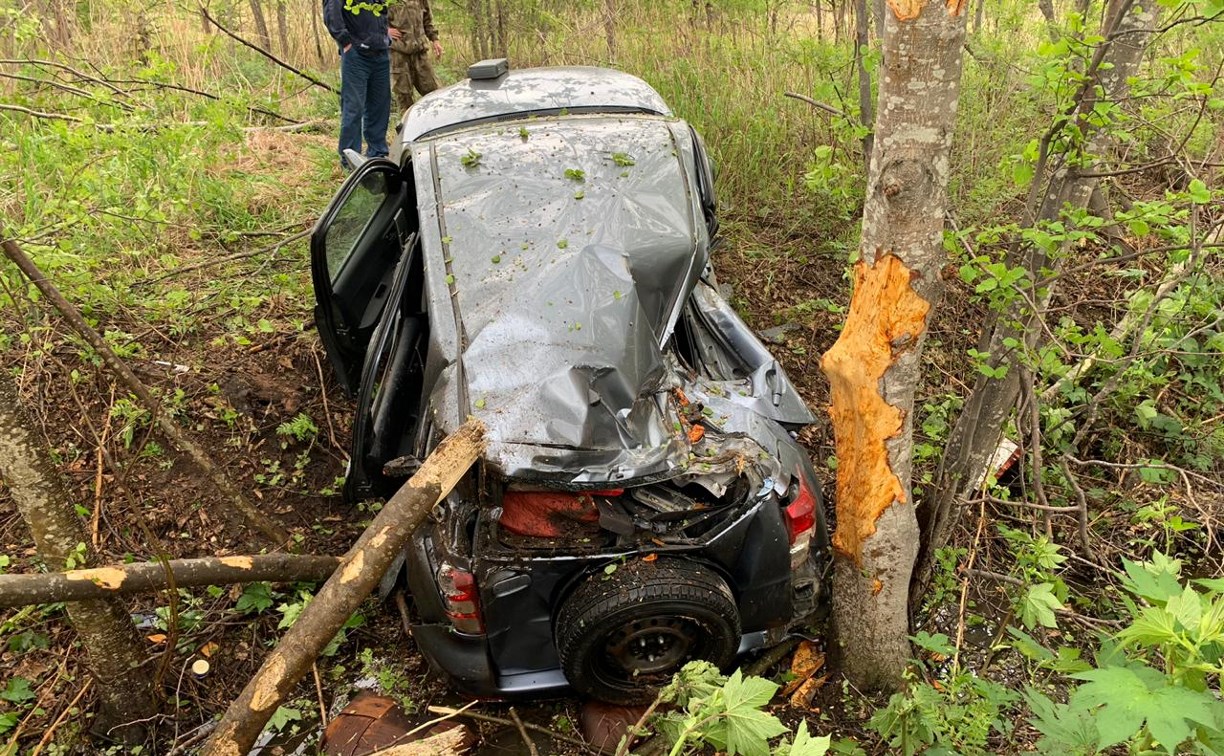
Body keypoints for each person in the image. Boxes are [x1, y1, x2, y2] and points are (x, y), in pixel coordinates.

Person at [322, 0, 403, 165]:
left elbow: (381, 11)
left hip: (380, 52)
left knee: (380, 105)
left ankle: (377, 153)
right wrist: (345, 41)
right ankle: (350, 160)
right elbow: (332, 13)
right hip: (356, 54)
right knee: (354, 107)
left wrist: (384, 38)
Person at [388, 0, 443, 114]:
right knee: (404, 100)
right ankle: (410, 130)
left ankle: (438, 127)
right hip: (398, 53)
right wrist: (384, 30)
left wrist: (435, 40)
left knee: (435, 94)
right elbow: (373, 18)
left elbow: (427, 19)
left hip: (420, 52)